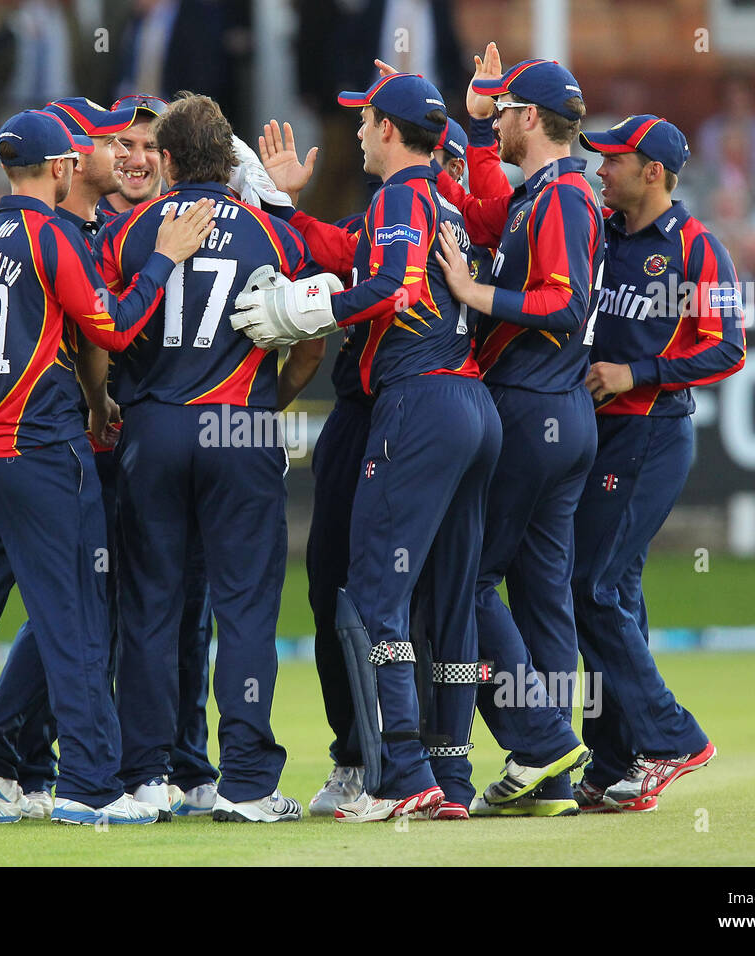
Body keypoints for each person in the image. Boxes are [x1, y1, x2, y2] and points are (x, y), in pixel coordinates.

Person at [0, 108, 216, 825]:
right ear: (60, 169)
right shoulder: (49, 235)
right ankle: (88, 784)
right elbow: (110, 324)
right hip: (44, 452)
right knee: (78, 617)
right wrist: (163, 260)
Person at [246, 72, 501, 822]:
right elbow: (346, 250)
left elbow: (386, 282)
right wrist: (282, 206)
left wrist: (302, 311)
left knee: (371, 595)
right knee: (451, 597)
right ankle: (450, 776)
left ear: (389, 130)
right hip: (473, 404)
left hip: (418, 401)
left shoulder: (399, 197)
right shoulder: (440, 199)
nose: (355, 130)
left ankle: (399, 772)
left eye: (364, 121)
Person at [99, 92, 323, 823]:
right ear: (232, 160)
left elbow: (98, 329)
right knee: (246, 611)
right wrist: (271, 404)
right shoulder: (275, 233)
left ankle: (144, 777)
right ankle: (248, 783)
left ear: (162, 159)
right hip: (242, 428)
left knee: (151, 608)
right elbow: (312, 335)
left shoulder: (129, 228)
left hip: (154, 427)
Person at [432, 54, 603, 816]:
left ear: (530, 118)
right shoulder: (546, 193)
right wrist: (470, 123)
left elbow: (563, 305)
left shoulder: (563, 196)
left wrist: (474, 292)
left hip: (534, 407)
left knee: (467, 579)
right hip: (560, 413)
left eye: (503, 112)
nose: (497, 122)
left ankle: (538, 741)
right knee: (542, 601)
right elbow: (487, 212)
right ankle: (555, 777)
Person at [569, 116, 743, 810]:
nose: (600, 169)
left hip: (652, 435)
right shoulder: (600, 236)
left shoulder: (700, 249)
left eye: (614, 160)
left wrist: (635, 372)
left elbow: (726, 348)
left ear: (652, 172)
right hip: (601, 436)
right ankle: (614, 758)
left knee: (593, 587)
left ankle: (672, 737)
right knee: (615, 593)